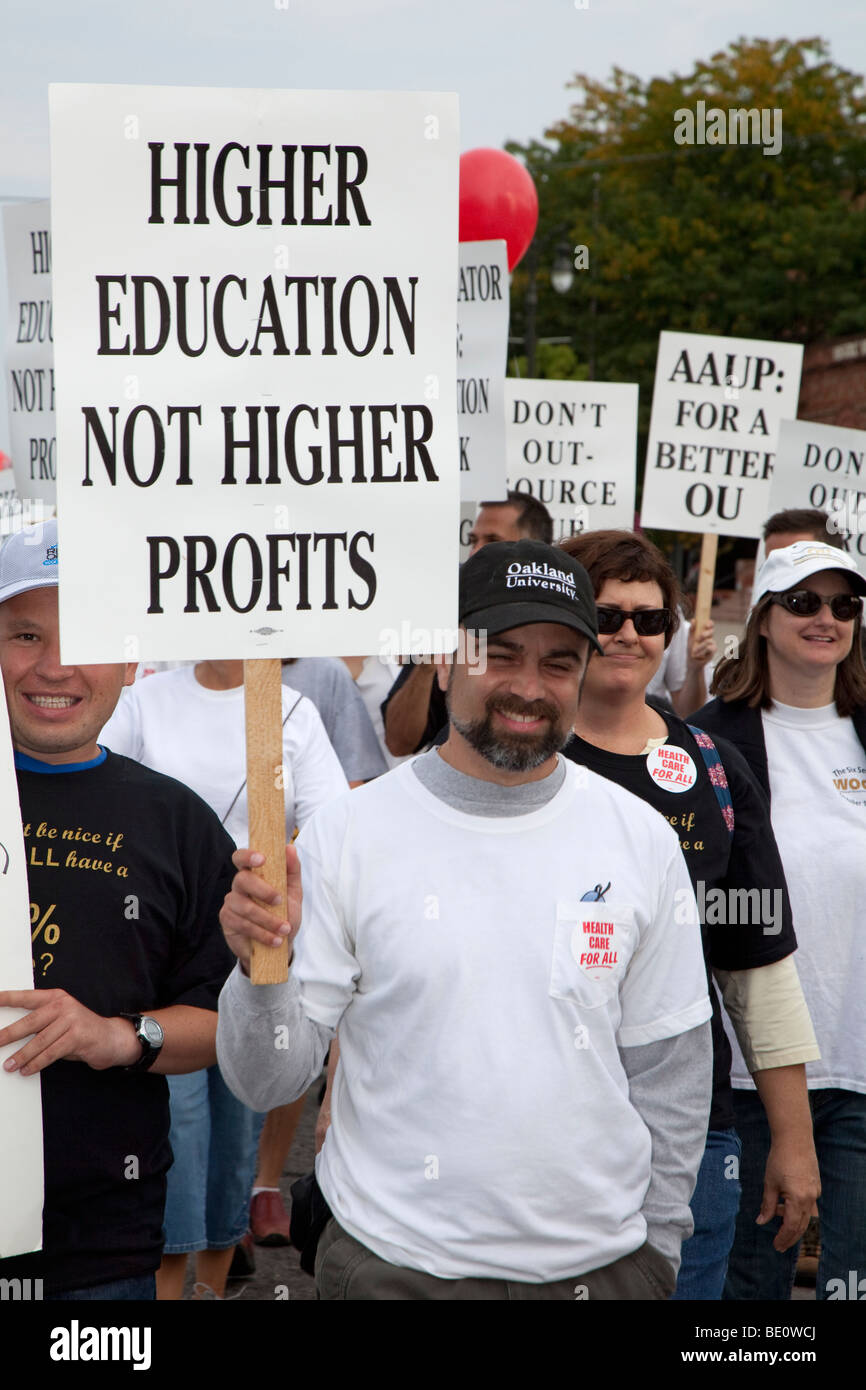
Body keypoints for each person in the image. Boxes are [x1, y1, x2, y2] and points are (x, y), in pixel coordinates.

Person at [216, 539, 714, 1300]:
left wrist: (657, 1253)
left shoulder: (639, 837)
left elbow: (670, 1069)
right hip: (393, 1269)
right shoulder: (347, 834)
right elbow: (266, 1079)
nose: (527, 686)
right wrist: (259, 971)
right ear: (444, 659)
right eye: (499, 653)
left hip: (603, 1274)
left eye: (557, 662)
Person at [557, 529, 820, 1300]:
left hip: (690, 1129)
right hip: (537, 1119)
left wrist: (794, 1144)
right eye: (607, 616)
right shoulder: (508, 754)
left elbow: (757, 965)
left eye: (650, 619)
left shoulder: (713, 766)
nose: (630, 635)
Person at [0, 521, 235, 1300]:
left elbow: (223, 1020)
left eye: (89, 636)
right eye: (25, 633)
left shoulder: (175, 820)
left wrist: (118, 1036)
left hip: (99, 1251)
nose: (55, 666)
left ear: (134, 661)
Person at [694, 540, 866, 1301]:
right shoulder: (705, 742)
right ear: (763, 618)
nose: (825, 618)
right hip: (748, 1069)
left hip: (861, 1067)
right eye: (803, 602)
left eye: (844, 605)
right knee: (750, 1298)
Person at [381, 491, 553, 758]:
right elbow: (399, 742)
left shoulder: (562, 631)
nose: (475, 552)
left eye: (492, 541)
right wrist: (428, 664)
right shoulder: (451, 621)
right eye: (474, 540)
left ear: (536, 551)